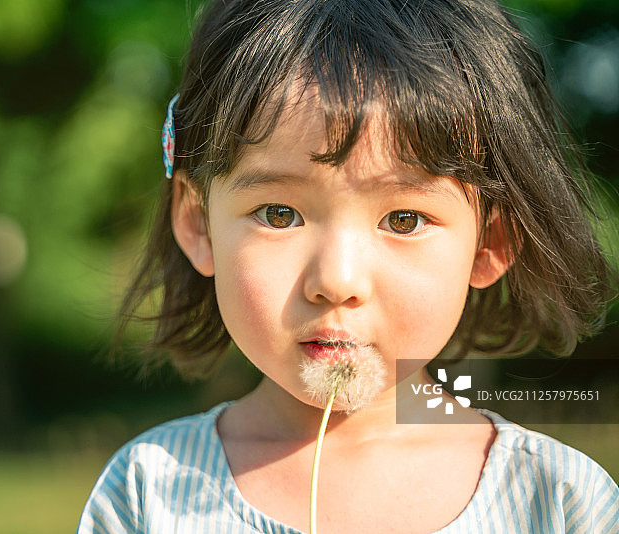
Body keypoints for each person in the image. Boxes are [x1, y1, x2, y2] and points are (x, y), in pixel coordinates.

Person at [78, 0, 619, 532]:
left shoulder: (559, 501)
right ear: (200, 226)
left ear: (489, 243)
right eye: (278, 213)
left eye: (404, 219)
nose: (336, 281)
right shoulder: (148, 492)